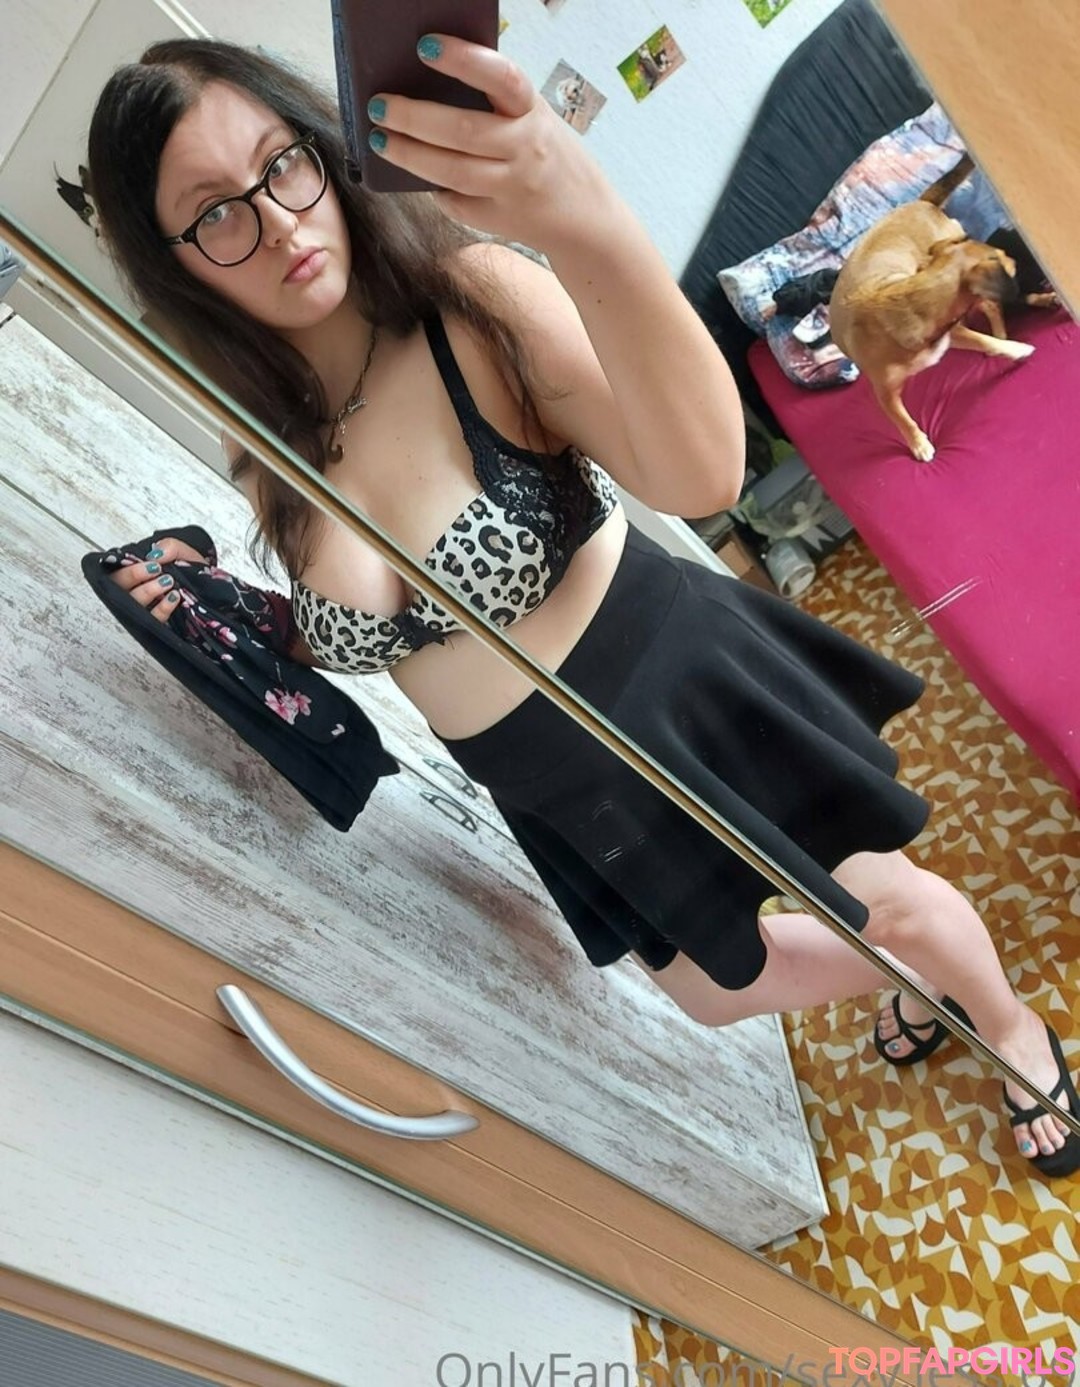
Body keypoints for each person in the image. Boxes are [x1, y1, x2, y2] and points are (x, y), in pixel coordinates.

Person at [87, 35, 1078, 1176]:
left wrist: (581, 214)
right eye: (216, 213)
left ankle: (1011, 1029)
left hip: (662, 679)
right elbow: (374, 622)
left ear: (322, 148)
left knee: (884, 904)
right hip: (540, 773)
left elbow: (701, 476)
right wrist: (240, 614)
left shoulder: (470, 301)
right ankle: (933, 981)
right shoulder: (267, 445)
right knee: (714, 988)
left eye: (282, 165)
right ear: (177, 264)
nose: (276, 222)